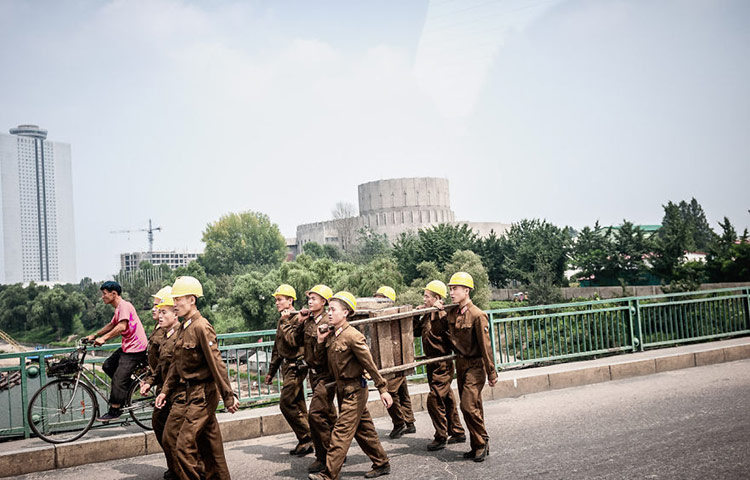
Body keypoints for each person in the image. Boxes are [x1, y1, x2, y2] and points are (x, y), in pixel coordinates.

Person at [155, 276, 238, 480]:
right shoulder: (184, 327)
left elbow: (216, 364)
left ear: (192, 299)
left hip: (203, 394)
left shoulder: (201, 327)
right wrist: (165, 391)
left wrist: (229, 396)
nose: (175, 304)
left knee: (182, 446)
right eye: (173, 300)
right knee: (208, 446)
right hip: (188, 393)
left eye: (178, 299)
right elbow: (176, 365)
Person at [309, 291, 393, 480]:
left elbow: (369, 365)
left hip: (355, 390)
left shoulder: (353, 336)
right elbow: (320, 363)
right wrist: (321, 342)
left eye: (333, 309)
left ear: (345, 312)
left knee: (341, 432)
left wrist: (383, 389)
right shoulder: (332, 335)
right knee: (364, 431)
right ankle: (382, 463)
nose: (329, 313)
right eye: (328, 309)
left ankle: (329, 475)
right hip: (342, 390)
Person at [446, 272, 497, 462]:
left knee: (467, 405)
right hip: (461, 365)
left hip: (476, 366)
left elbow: (486, 347)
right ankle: (477, 445)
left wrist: (491, 372)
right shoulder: (453, 312)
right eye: (450, 289)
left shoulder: (477, 315)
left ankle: (482, 440)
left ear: (466, 291)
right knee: (474, 406)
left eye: (455, 289)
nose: (451, 292)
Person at [289, 284, 338, 474]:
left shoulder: (328, 321)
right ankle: (337, 451)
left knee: (315, 415)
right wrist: (299, 321)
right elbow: (295, 341)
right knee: (329, 415)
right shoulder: (309, 320)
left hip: (326, 374)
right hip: (314, 374)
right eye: (309, 298)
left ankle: (324, 457)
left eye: (314, 299)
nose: (310, 301)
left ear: (324, 302)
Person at [86, 281, 148, 422]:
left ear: (114, 294)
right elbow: (111, 325)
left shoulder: (125, 306)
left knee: (119, 379)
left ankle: (115, 409)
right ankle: (129, 388)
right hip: (128, 347)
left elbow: (121, 326)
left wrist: (104, 339)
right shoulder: (118, 308)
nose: (102, 297)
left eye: (104, 294)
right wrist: (95, 335)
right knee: (108, 366)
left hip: (136, 349)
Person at [414, 280, 465, 451]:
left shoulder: (443, 315)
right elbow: (414, 332)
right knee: (447, 398)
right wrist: (417, 314)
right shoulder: (428, 314)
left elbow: (451, 336)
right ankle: (457, 431)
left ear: (436, 298)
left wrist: (438, 312)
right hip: (432, 363)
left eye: (427, 296)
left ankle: (441, 435)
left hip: (442, 363)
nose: (424, 299)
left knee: (434, 399)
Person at [265, 284, 313, 456]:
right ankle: (305, 441)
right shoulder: (283, 319)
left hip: (296, 366)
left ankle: (310, 436)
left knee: (286, 404)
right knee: (299, 405)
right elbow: (278, 347)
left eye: (280, 300)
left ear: (290, 300)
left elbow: (292, 341)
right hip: (287, 366)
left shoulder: (296, 319)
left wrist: (287, 321)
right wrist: (271, 371)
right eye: (276, 300)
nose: (277, 303)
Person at [140, 287, 181, 480]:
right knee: (160, 426)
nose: (156, 311)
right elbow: (158, 363)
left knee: (173, 433)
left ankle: (183, 468)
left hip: (175, 390)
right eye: (158, 308)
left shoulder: (180, 333)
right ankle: (176, 466)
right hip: (163, 387)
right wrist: (149, 381)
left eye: (161, 308)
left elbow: (173, 366)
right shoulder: (162, 332)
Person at [373, 286, 415, 438]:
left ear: (389, 301)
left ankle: (399, 423)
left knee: (390, 391)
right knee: (402, 391)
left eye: (381, 298)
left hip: (392, 360)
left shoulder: (393, 315)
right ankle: (409, 422)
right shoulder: (393, 314)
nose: (377, 301)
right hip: (398, 359)